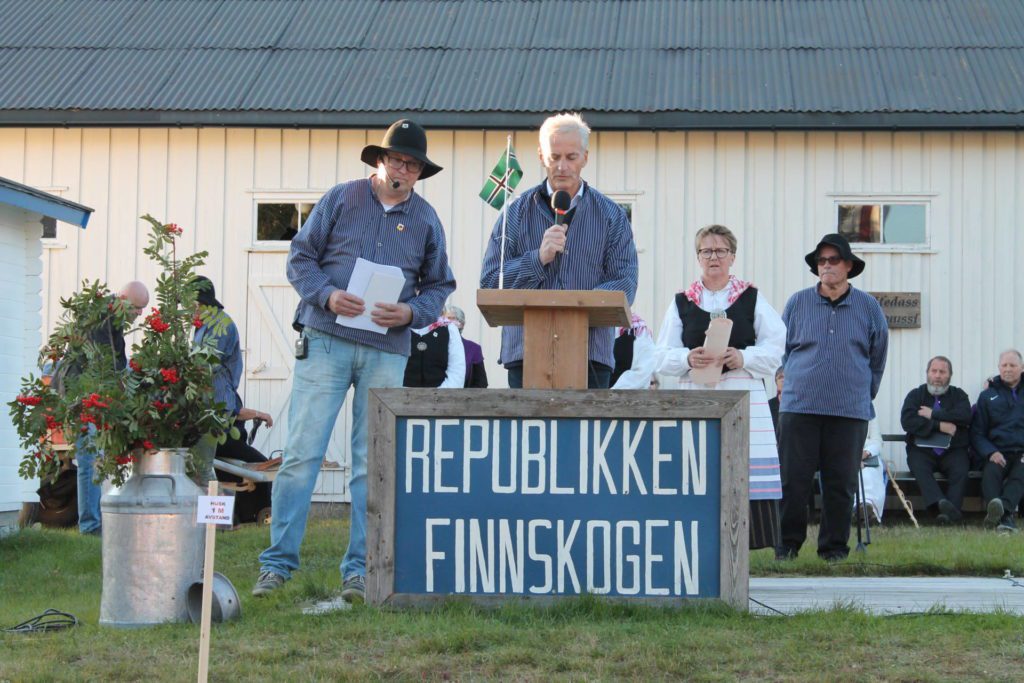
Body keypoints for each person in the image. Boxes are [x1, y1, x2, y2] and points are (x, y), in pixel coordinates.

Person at [255, 119, 456, 601]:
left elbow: (440, 285)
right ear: (379, 161)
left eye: (412, 164)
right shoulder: (341, 198)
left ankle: (361, 571)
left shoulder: (427, 220)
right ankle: (277, 565)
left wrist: (411, 311)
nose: (402, 170)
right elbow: (299, 258)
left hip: (388, 348)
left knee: (372, 462)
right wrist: (326, 295)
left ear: (420, 172)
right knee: (302, 453)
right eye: (396, 160)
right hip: (326, 338)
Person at [647, 224, 786, 550]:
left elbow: (777, 344)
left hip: (742, 394)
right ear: (698, 257)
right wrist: (686, 358)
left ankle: (742, 548)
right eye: (706, 251)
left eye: (720, 250)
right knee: (699, 467)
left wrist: (743, 356)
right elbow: (659, 354)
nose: (714, 257)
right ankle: (697, 544)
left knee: (743, 466)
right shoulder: (682, 301)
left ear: (732, 256)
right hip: (697, 394)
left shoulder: (751, 297)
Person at [479, 112, 638, 388]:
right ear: (541, 156)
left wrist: (574, 309)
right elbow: (493, 281)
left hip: (591, 357)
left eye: (571, 157)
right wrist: (537, 259)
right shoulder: (515, 213)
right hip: (525, 355)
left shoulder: (611, 216)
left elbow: (625, 283)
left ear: (585, 157)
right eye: (555, 157)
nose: (562, 166)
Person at [775, 233, 888, 562]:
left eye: (833, 260)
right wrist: (789, 382)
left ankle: (834, 550)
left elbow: (877, 358)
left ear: (849, 266)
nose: (826, 266)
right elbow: (781, 350)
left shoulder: (869, 307)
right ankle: (786, 547)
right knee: (793, 481)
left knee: (840, 484)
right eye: (821, 261)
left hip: (849, 412)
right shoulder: (797, 302)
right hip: (799, 407)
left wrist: (861, 395)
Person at [71, 280, 150, 535]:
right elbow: (105, 363)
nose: (140, 314)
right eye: (138, 308)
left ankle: (95, 521)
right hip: (82, 392)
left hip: (96, 391)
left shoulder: (113, 319)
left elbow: (119, 361)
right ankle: (90, 526)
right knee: (89, 459)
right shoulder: (101, 318)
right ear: (124, 298)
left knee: (96, 458)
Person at [192, 277, 275, 518]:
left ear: (200, 303)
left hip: (216, 412)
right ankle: (224, 519)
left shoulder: (221, 325)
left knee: (204, 467)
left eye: (188, 305)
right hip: (209, 409)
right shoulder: (203, 326)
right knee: (204, 466)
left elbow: (202, 367)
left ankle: (220, 521)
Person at [901, 356, 972, 524]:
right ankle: (941, 506)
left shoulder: (959, 395)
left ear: (950, 375)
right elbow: (908, 421)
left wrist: (933, 414)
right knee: (918, 465)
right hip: (921, 450)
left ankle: (947, 514)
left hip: (953, 450)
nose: (938, 375)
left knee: (960, 470)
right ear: (927, 373)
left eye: (942, 372)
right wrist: (941, 426)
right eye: (934, 371)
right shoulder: (915, 395)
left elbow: (964, 416)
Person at [971, 349, 1024, 532]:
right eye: (1004, 365)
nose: (1008, 369)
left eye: (1013, 365)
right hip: (997, 451)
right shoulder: (987, 396)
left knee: (1021, 474)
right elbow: (977, 433)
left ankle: (1001, 513)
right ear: (998, 367)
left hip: (1022, 453)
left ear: (1022, 368)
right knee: (990, 474)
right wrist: (991, 452)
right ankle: (1005, 517)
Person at [403, 317, 465, 388]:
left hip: (442, 396)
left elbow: (457, 372)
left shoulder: (449, 329)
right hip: (402, 395)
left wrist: (437, 395)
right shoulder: (397, 328)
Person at [443, 305, 488, 388]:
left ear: (461, 324)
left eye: (450, 318)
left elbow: (481, 383)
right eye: (443, 319)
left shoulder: (473, 348)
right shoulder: (434, 346)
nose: (445, 322)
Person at [854, 415, 886, 525]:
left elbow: (877, 441)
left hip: (868, 455)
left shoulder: (869, 410)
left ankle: (867, 508)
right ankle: (856, 510)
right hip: (844, 455)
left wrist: (866, 453)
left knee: (869, 474)